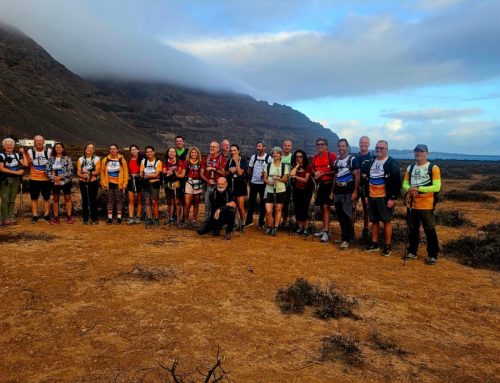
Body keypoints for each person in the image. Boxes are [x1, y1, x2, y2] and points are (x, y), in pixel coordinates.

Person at [402, 144, 442, 265]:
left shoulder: (433, 168)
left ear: (427, 153)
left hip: (427, 205)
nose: (418, 153)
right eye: (416, 151)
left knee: (429, 230)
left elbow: (437, 187)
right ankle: (412, 251)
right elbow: (404, 184)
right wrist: (410, 189)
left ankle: (433, 255)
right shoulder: (410, 167)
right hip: (412, 204)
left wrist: (419, 189)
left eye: (421, 151)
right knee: (413, 229)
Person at [364, 140, 401, 256]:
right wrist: (366, 195)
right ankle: (374, 243)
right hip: (372, 197)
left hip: (384, 198)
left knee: (386, 221)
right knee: (374, 221)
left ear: (387, 149)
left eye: (382, 148)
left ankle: (387, 245)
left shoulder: (392, 163)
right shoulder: (372, 161)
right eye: (377, 148)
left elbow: (397, 182)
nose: (379, 150)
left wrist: (392, 198)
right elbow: (367, 180)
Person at [332, 139, 360, 250]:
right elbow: (335, 176)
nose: (341, 148)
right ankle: (346, 235)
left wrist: (355, 191)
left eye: (343, 146)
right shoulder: (336, 161)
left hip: (348, 191)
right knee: (340, 215)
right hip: (338, 191)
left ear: (347, 147)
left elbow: (357, 176)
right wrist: (332, 192)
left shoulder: (352, 160)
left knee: (347, 215)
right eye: (339, 146)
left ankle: (346, 240)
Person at [311, 138, 337, 243]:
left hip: (329, 185)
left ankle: (326, 232)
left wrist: (323, 174)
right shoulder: (315, 157)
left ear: (326, 146)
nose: (320, 146)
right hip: (320, 185)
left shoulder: (331, 156)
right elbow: (313, 168)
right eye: (318, 144)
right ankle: (325, 229)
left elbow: (336, 171)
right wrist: (315, 174)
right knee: (322, 207)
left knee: (326, 207)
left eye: (322, 144)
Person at [0, 138, 27, 226]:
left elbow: (25, 164)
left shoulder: (16, 155)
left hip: (16, 180)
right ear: (4, 146)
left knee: (12, 199)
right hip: (5, 180)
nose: (9, 146)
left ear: (13, 146)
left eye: (11, 144)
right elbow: (1, 168)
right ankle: (4, 219)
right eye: (7, 145)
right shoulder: (1, 155)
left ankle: (11, 217)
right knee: (5, 199)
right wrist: (16, 172)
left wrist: (23, 153)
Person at [263, 147, 289, 236]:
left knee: (278, 209)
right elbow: (264, 178)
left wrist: (277, 178)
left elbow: (285, 179)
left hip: (280, 190)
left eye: (277, 153)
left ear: (280, 155)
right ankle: (269, 226)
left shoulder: (284, 166)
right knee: (268, 211)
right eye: (273, 153)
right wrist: (269, 182)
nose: (275, 155)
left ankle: (275, 227)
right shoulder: (268, 165)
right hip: (269, 190)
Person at [245, 140, 272, 228]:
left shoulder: (268, 158)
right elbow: (250, 169)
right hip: (254, 183)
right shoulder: (254, 157)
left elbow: (270, 170)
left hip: (264, 184)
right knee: (251, 203)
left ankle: (261, 223)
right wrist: (250, 179)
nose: (258, 148)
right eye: (257, 146)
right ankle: (249, 221)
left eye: (259, 146)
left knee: (263, 203)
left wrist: (265, 175)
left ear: (264, 147)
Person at [46, 142, 74, 224]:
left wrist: (61, 177)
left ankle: (69, 217)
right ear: (54, 149)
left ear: (63, 149)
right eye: (56, 147)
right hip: (54, 181)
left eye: (60, 147)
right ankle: (56, 218)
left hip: (66, 181)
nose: (58, 148)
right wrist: (53, 178)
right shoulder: (51, 159)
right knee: (55, 199)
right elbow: (47, 170)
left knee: (67, 198)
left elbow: (71, 171)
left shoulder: (67, 158)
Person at [26, 135, 52, 223]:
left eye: (40, 140)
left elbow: (52, 163)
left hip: (46, 179)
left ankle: (47, 214)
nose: (39, 142)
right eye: (37, 141)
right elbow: (27, 163)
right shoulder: (30, 151)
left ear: (43, 142)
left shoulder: (49, 151)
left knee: (46, 198)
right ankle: (35, 215)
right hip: (33, 178)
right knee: (34, 198)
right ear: (34, 142)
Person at [100, 144, 129, 224]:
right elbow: (102, 172)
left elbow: (126, 173)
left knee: (119, 200)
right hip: (108, 183)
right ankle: (110, 218)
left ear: (117, 150)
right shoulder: (105, 160)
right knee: (110, 200)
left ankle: (119, 218)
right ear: (109, 150)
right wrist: (103, 182)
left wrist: (125, 183)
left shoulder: (122, 160)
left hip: (119, 184)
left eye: (114, 149)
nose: (113, 150)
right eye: (111, 149)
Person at [289, 149, 313, 236]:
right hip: (296, 190)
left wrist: (296, 177)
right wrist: (296, 166)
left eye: (300, 156)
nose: (298, 158)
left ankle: (306, 228)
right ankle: (299, 227)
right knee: (297, 208)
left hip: (306, 191)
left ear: (304, 157)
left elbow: (306, 180)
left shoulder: (308, 167)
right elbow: (291, 175)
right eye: (297, 157)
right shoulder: (294, 166)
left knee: (304, 209)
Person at [201, 141, 226, 220]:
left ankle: (218, 223)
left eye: (214, 147)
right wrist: (208, 181)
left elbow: (223, 173)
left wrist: (213, 169)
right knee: (207, 205)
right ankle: (207, 222)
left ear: (218, 149)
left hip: (218, 187)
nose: (211, 148)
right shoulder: (205, 158)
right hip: (208, 186)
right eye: (210, 146)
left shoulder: (221, 159)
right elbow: (201, 174)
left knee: (218, 206)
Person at [76, 143, 101, 225]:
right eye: (88, 147)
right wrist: (82, 175)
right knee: (85, 200)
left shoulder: (97, 159)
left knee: (93, 200)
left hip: (93, 182)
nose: (89, 149)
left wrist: (88, 172)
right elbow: (78, 171)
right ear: (85, 148)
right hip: (83, 181)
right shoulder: (80, 159)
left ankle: (94, 219)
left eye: (91, 148)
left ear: (93, 150)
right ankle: (85, 218)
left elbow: (97, 171)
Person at [356, 136, 374, 242]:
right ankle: (350, 230)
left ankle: (366, 230)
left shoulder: (372, 158)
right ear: (359, 143)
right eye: (362, 142)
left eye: (365, 142)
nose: (363, 144)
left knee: (366, 209)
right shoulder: (355, 157)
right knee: (352, 208)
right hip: (355, 186)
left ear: (369, 144)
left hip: (367, 187)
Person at [225, 144, 248, 229]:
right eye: (231, 151)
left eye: (234, 150)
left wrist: (236, 163)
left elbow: (240, 173)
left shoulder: (243, 161)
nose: (233, 152)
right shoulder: (229, 161)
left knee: (241, 206)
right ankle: (234, 223)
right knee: (232, 206)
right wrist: (230, 171)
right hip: (231, 186)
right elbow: (226, 173)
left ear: (238, 151)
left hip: (240, 186)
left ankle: (243, 223)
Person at [179, 147, 203, 226]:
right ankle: (186, 220)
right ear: (190, 153)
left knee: (196, 203)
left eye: (195, 152)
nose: (194, 154)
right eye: (192, 152)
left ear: (198, 154)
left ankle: (194, 220)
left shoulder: (200, 163)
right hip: (189, 183)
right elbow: (182, 174)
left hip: (198, 183)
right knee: (187, 203)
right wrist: (175, 173)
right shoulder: (186, 163)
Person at [140, 146, 162, 226]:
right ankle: (149, 218)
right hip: (145, 184)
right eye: (147, 152)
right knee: (147, 201)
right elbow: (141, 173)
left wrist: (148, 175)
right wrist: (151, 175)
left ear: (154, 152)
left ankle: (156, 218)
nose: (149, 153)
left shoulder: (158, 162)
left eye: (150, 151)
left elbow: (157, 174)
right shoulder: (143, 162)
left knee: (154, 202)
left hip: (154, 184)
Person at [163, 147, 184, 224]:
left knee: (177, 201)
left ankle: (178, 218)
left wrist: (171, 172)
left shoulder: (179, 161)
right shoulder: (165, 162)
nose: (171, 153)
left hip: (177, 182)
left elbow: (180, 171)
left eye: (173, 152)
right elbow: (164, 171)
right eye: (170, 152)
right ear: (167, 153)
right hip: (168, 182)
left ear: (176, 153)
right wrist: (170, 171)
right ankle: (170, 217)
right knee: (170, 201)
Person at [126, 145, 143, 225]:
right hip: (131, 180)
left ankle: (138, 217)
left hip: (139, 181)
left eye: (135, 149)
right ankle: (131, 217)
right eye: (132, 150)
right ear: (130, 151)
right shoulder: (128, 159)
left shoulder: (142, 160)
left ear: (138, 150)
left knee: (139, 200)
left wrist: (138, 175)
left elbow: (144, 171)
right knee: (131, 200)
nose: (133, 151)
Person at [281, 139, 293, 227]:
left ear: (291, 147)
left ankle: (285, 221)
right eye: (285, 145)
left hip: (289, 183)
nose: (287, 147)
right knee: (278, 203)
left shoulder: (292, 157)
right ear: (283, 146)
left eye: (289, 145)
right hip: (279, 182)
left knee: (286, 203)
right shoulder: (278, 156)